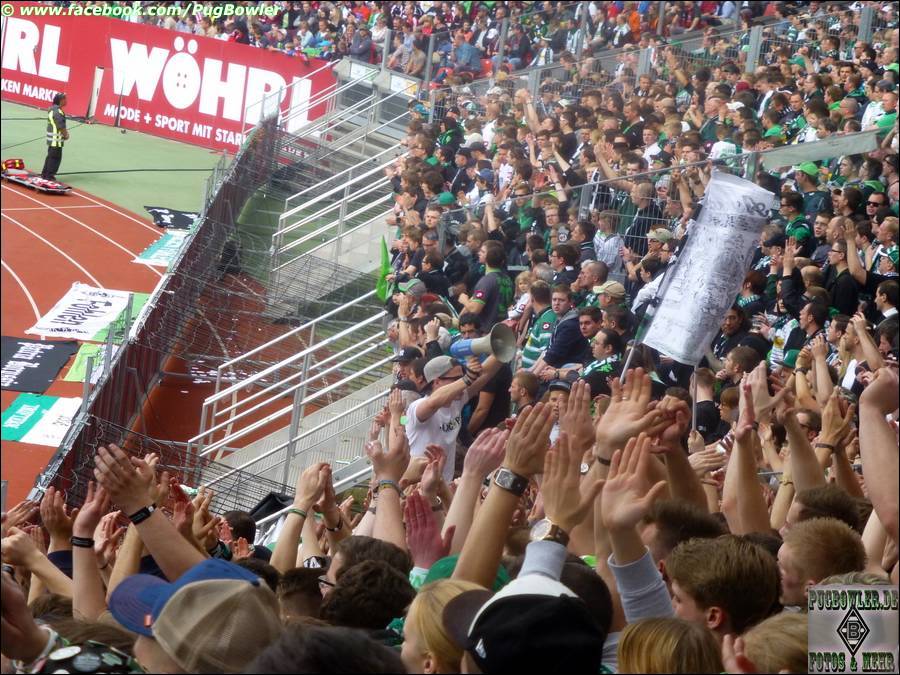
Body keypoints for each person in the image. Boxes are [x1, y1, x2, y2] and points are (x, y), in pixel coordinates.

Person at [42, 92, 68, 181]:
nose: (66, 101)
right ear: (61, 100)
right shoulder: (58, 112)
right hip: (56, 140)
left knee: (50, 157)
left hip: (51, 139)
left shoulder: (52, 109)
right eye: (65, 99)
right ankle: (49, 176)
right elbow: (60, 126)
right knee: (55, 158)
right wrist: (66, 134)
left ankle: (45, 174)